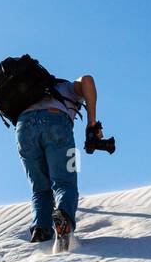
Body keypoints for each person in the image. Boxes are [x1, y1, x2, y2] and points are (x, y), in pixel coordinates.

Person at [15, 74, 109, 247]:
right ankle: (64, 219)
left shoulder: (29, 95)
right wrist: (91, 123)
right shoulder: (66, 87)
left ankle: (41, 231)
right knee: (65, 183)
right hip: (56, 121)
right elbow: (87, 79)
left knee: (40, 189)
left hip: (23, 127)